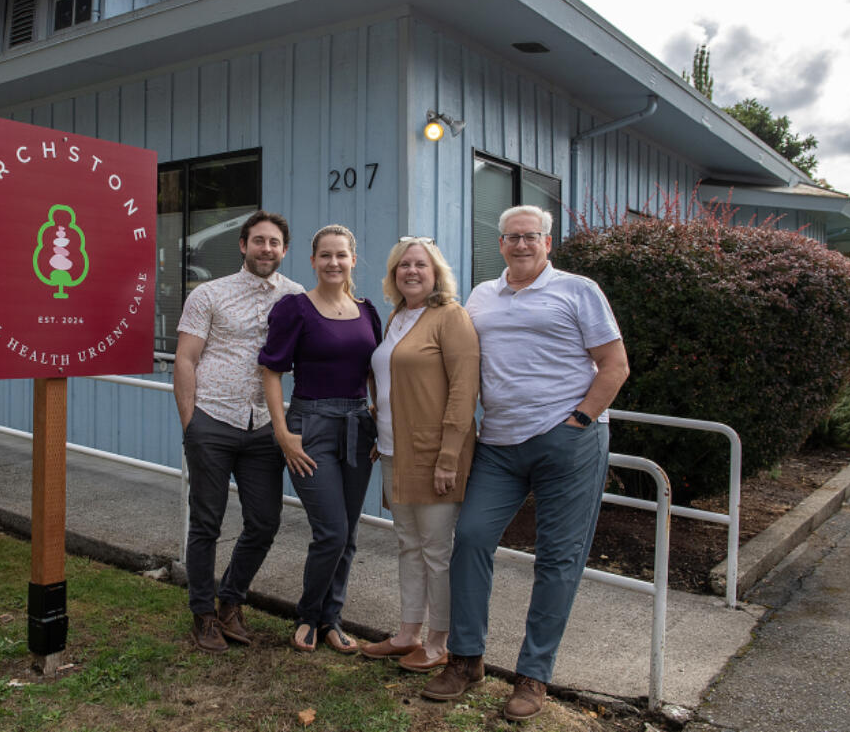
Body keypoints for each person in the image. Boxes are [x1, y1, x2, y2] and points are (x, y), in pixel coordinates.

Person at [421, 205, 630, 722]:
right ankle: (467, 660)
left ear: (548, 243)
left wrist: (579, 421)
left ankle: (533, 678)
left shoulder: (580, 291)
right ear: (500, 244)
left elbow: (614, 365)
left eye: (530, 237)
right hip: (498, 442)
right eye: (511, 237)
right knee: (469, 539)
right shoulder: (480, 296)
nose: (520, 245)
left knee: (558, 560)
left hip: (568, 443)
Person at [173, 210, 305, 653]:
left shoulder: (297, 297)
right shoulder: (209, 294)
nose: (266, 249)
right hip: (212, 419)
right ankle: (203, 614)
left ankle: (230, 600)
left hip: (265, 426)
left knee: (264, 522)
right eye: (258, 241)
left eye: (274, 243)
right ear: (243, 245)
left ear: (284, 250)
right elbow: (186, 359)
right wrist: (191, 423)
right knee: (206, 523)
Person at [259, 224, 381, 654]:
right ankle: (309, 615)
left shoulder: (367, 311)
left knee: (348, 534)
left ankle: (333, 619)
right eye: (325, 255)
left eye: (341, 255)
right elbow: (271, 370)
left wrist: (379, 424)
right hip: (310, 425)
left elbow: (374, 373)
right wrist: (283, 432)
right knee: (330, 530)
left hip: (358, 427)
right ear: (312, 261)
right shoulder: (295, 308)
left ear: (352, 259)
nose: (333, 262)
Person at [359, 237, 480, 672]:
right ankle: (408, 633)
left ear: (436, 273)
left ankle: (438, 641)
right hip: (395, 450)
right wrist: (380, 429)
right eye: (402, 266)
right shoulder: (396, 316)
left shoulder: (450, 316)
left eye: (420, 265)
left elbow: (465, 390)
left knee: (435, 551)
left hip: (434, 453)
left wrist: (449, 456)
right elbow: (389, 383)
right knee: (408, 545)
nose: (411, 271)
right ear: (394, 275)